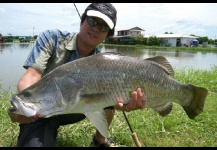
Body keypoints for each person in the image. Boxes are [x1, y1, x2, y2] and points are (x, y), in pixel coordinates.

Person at [8, 3, 146, 147]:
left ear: (107, 35)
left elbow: (113, 100)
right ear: (82, 21)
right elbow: (31, 76)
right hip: (45, 109)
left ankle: (101, 140)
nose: (95, 28)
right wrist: (28, 103)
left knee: (109, 95)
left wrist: (125, 104)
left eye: (103, 27)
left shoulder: (105, 63)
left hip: (79, 108)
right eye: (92, 21)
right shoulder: (51, 38)